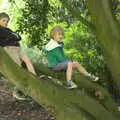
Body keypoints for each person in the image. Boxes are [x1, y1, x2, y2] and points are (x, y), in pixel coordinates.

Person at [0, 12, 37, 100]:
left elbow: (19, 37)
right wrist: (13, 36)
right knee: (18, 67)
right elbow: (14, 36)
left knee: (28, 61)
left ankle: (34, 77)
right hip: (10, 49)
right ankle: (16, 90)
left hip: (18, 47)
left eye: (7, 21)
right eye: (3, 20)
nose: (6, 23)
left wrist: (12, 36)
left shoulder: (8, 29)